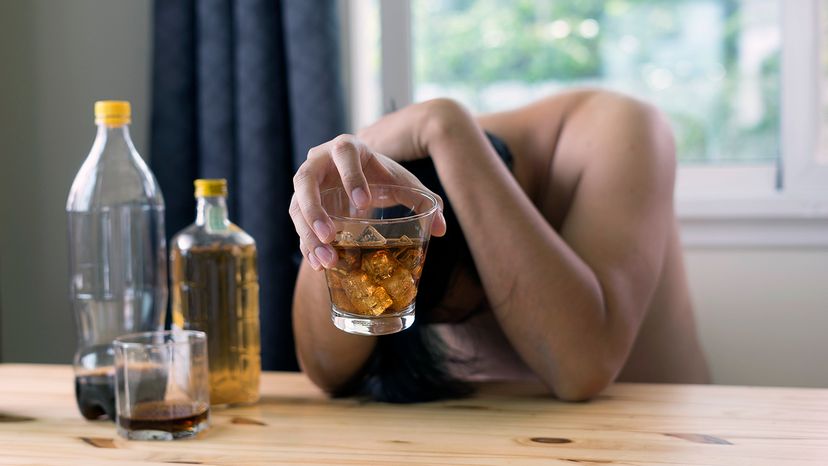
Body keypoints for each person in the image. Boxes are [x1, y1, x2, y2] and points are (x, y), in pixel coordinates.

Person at [289, 90, 710, 402]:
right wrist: (344, 202)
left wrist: (445, 123)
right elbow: (328, 371)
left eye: (474, 308)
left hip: (651, 434)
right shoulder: (404, 167)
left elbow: (580, 371)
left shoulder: (622, 128)